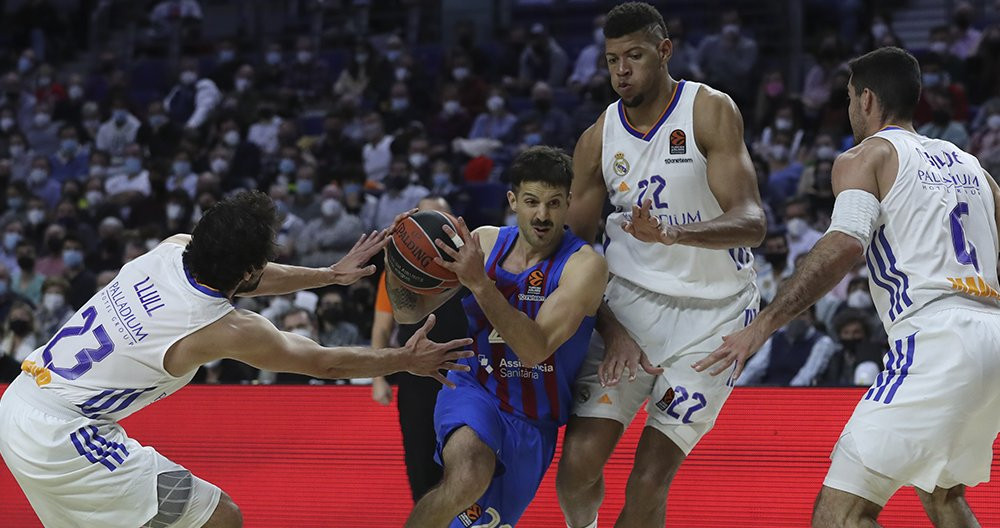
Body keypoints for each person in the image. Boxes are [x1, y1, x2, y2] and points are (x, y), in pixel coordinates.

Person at [0, 190, 473, 528]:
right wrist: (403, 359)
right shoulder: (221, 328)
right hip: (63, 436)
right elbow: (322, 363)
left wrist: (329, 275)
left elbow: (251, 277)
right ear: (246, 270)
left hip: (22, 403)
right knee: (220, 517)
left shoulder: (174, 247)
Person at [694, 46, 1000, 527]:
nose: (849, 108)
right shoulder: (974, 168)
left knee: (838, 516)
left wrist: (762, 327)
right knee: (944, 496)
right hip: (992, 338)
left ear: (868, 101)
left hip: (936, 338)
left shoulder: (867, 155)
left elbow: (844, 245)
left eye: (850, 98)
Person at [557, 3, 766, 527]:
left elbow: (752, 222)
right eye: (611, 60)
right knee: (576, 467)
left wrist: (675, 233)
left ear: (664, 51)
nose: (621, 71)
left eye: (634, 56)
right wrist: (609, 326)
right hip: (629, 309)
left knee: (648, 482)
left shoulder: (708, 110)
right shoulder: (596, 139)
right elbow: (571, 254)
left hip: (714, 318)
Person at [389, 147, 607, 528]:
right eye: (532, 201)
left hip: (532, 417)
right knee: (467, 474)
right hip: (473, 388)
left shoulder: (584, 266)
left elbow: (534, 350)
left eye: (554, 203)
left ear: (569, 203)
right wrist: (399, 261)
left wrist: (480, 284)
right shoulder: (484, 242)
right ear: (512, 201)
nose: (542, 215)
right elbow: (408, 311)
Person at [371, 196, 470, 503]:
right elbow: (384, 325)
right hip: (417, 377)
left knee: (469, 466)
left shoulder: (477, 266)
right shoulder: (400, 271)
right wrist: (378, 377)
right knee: (420, 464)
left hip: (467, 376)